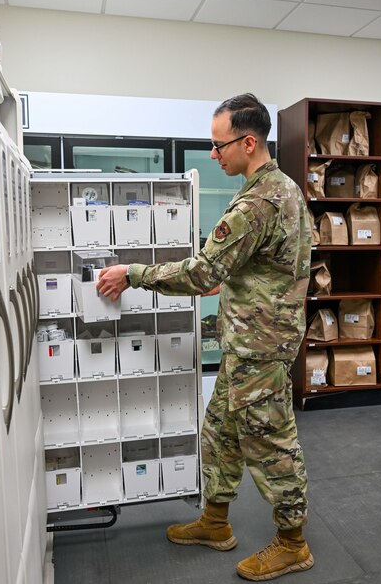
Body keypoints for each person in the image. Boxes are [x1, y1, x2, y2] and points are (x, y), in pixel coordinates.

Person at [95, 93, 313, 581]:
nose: (214, 155)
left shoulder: (258, 202)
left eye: (219, 146)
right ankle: (216, 523)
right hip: (252, 342)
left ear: (249, 142)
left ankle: (293, 543)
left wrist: (133, 274)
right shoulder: (283, 189)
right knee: (220, 435)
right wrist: (228, 276)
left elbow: (201, 273)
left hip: (260, 349)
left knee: (273, 445)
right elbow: (258, 266)